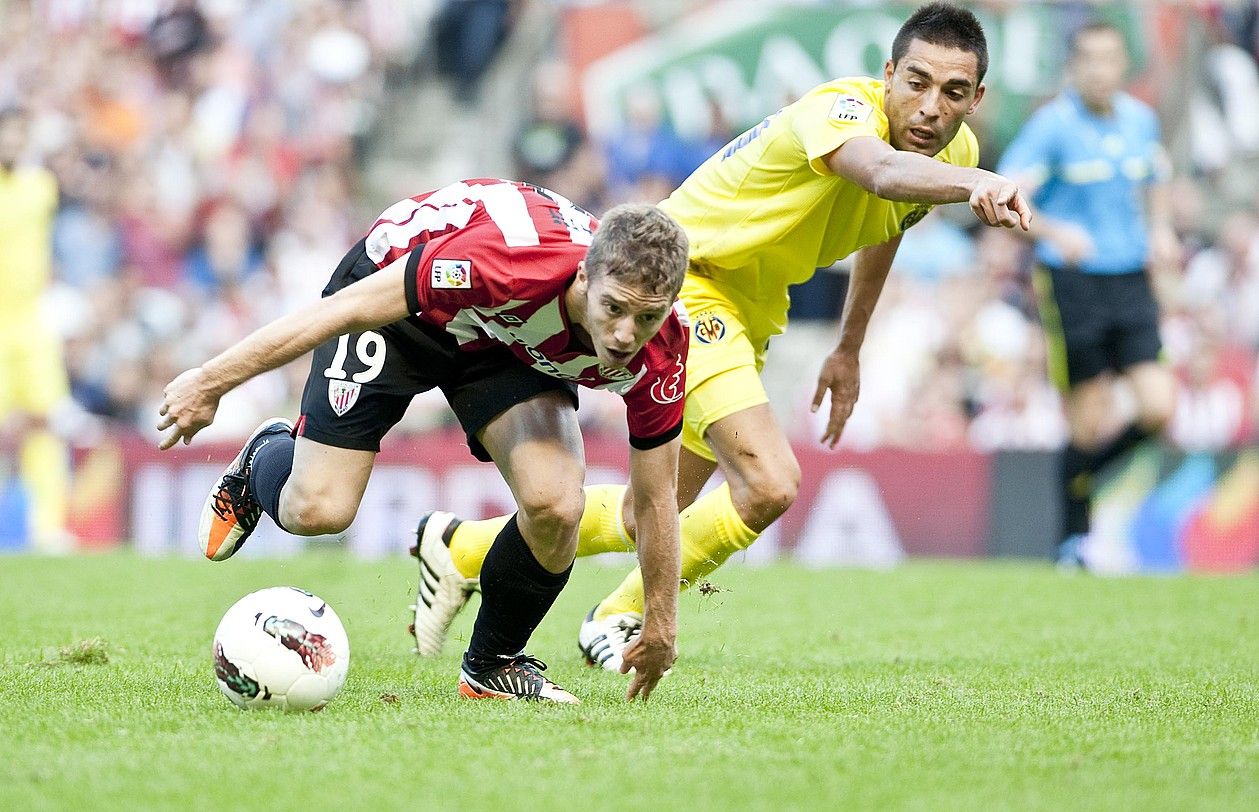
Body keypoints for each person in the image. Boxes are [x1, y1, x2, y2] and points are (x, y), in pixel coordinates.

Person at [410, 2, 1032, 672]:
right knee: (768, 482)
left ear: (975, 100)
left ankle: (462, 548)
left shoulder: (948, 156)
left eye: (953, 92)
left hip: (751, 305)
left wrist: (848, 347)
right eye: (916, 82)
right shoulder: (839, 111)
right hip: (686, 284)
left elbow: (888, 222)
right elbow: (878, 175)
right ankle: (620, 617)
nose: (930, 106)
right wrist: (978, 183)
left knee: (646, 512)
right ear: (887, 74)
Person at [157, 179, 691, 703]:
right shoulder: (503, 261)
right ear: (583, 278)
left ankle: (493, 666)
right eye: (614, 308)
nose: (625, 335)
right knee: (317, 509)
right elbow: (340, 311)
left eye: (647, 316)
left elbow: (655, 497)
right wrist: (211, 382)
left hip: (501, 337)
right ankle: (264, 460)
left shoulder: (664, 348)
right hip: (401, 308)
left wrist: (661, 623)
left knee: (556, 504)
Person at [997, 21, 1178, 569]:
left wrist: (1162, 230)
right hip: (1073, 281)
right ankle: (1072, 540)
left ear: (1123, 65)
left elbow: (1156, 178)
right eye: (1090, 60)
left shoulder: (1140, 121)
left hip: (1129, 278)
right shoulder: (1052, 128)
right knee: (1088, 420)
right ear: (1074, 67)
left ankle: (1082, 480)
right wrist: (1055, 233)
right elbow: (1006, 198)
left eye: (1110, 59)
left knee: (1159, 408)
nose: (1101, 70)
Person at [0, 107, 72, 552]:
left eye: (17, 134)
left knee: (46, 421)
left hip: (30, 321)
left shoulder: (39, 187)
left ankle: (49, 527)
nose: (11, 142)